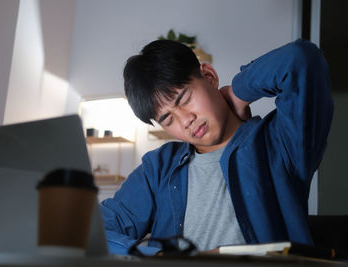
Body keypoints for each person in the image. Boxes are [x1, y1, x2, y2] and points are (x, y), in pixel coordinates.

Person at [100, 39, 334, 255]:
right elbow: (95, 231)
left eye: (184, 99)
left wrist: (239, 92)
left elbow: (302, 60)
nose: (185, 120)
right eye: (168, 120)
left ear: (209, 77)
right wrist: (159, 257)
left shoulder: (280, 142)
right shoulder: (158, 167)